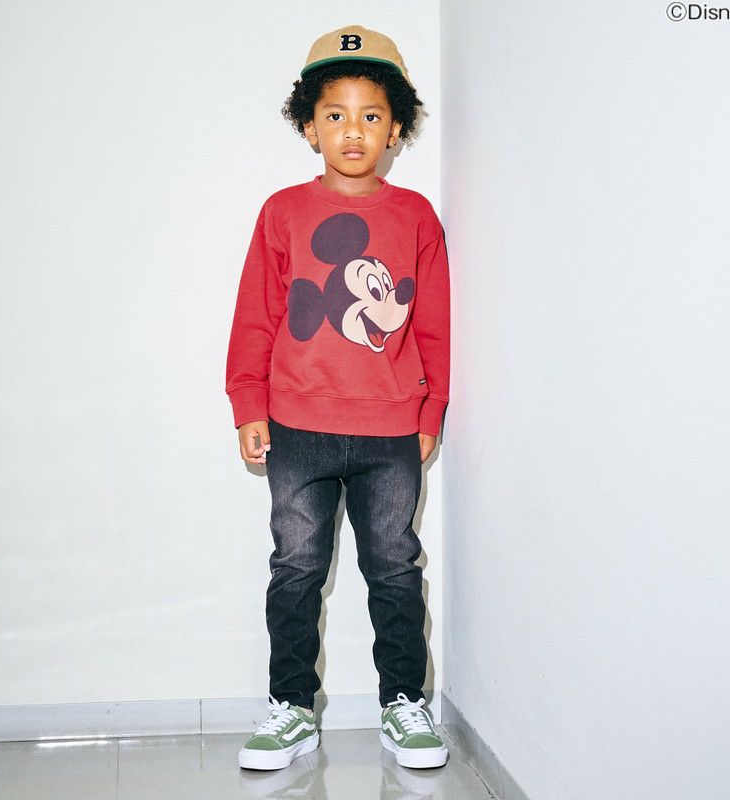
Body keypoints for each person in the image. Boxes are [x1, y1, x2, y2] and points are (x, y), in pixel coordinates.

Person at [225, 24, 450, 771]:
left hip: (391, 434)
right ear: (309, 125)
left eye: (371, 114)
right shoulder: (281, 212)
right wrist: (248, 403)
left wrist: (431, 409)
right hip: (298, 427)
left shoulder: (416, 217)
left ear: (396, 128)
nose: (353, 130)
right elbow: (255, 315)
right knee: (295, 569)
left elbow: (435, 324)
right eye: (335, 114)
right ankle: (291, 708)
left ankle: (403, 704)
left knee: (395, 568)